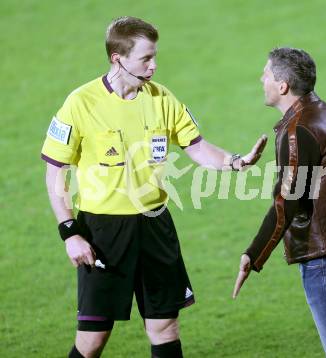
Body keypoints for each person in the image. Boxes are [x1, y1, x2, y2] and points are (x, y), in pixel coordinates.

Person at [41, 16, 267, 358]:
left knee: (164, 327)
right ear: (118, 58)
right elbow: (54, 171)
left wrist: (236, 161)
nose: (154, 65)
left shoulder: (162, 99)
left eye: (154, 56)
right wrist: (70, 232)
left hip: (154, 226)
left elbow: (197, 147)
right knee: (93, 337)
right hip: (102, 232)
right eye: (145, 58)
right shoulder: (80, 103)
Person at [232, 47, 326, 357]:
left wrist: (253, 255)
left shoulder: (298, 130)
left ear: (282, 86)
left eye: (266, 74)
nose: (261, 79)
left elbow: (287, 202)